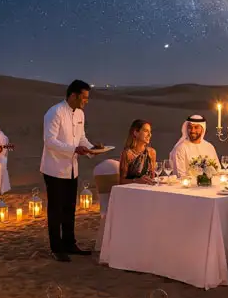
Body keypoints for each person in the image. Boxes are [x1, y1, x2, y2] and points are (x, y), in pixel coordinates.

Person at [41, 79, 104, 262]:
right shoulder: (55, 112)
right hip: (54, 168)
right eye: (84, 97)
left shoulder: (80, 115)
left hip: (72, 169)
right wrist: (74, 149)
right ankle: (56, 247)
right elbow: (50, 141)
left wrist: (92, 148)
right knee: (56, 209)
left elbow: (81, 138)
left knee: (69, 208)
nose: (86, 101)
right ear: (73, 95)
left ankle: (69, 243)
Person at [118, 119, 157, 185]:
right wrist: (136, 180)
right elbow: (121, 181)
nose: (149, 135)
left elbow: (152, 177)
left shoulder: (151, 152)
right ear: (136, 132)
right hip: (131, 191)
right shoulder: (128, 153)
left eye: (150, 132)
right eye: (146, 131)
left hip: (148, 189)